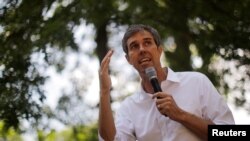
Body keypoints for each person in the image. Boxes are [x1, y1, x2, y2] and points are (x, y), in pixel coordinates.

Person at [98, 24, 234, 141]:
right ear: (128, 59)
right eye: (134, 46)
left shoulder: (197, 82)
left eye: (147, 42)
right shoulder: (129, 107)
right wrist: (104, 92)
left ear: (159, 50)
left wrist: (180, 115)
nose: (142, 49)